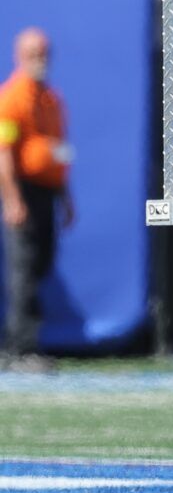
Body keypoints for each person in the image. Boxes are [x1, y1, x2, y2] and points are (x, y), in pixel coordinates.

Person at [0, 28, 70, 372]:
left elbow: (57, 152)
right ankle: (20, 349)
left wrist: (66, 198)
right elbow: (4, 153)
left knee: (42, 263)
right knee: (23, 270)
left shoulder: (52, 100)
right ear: (19, 56)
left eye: (43, 53)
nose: (39, 60)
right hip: (23, 192)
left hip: (47, 194)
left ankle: (27, 343)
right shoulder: (11, 97)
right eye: (32, 53)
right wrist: (12, 199)